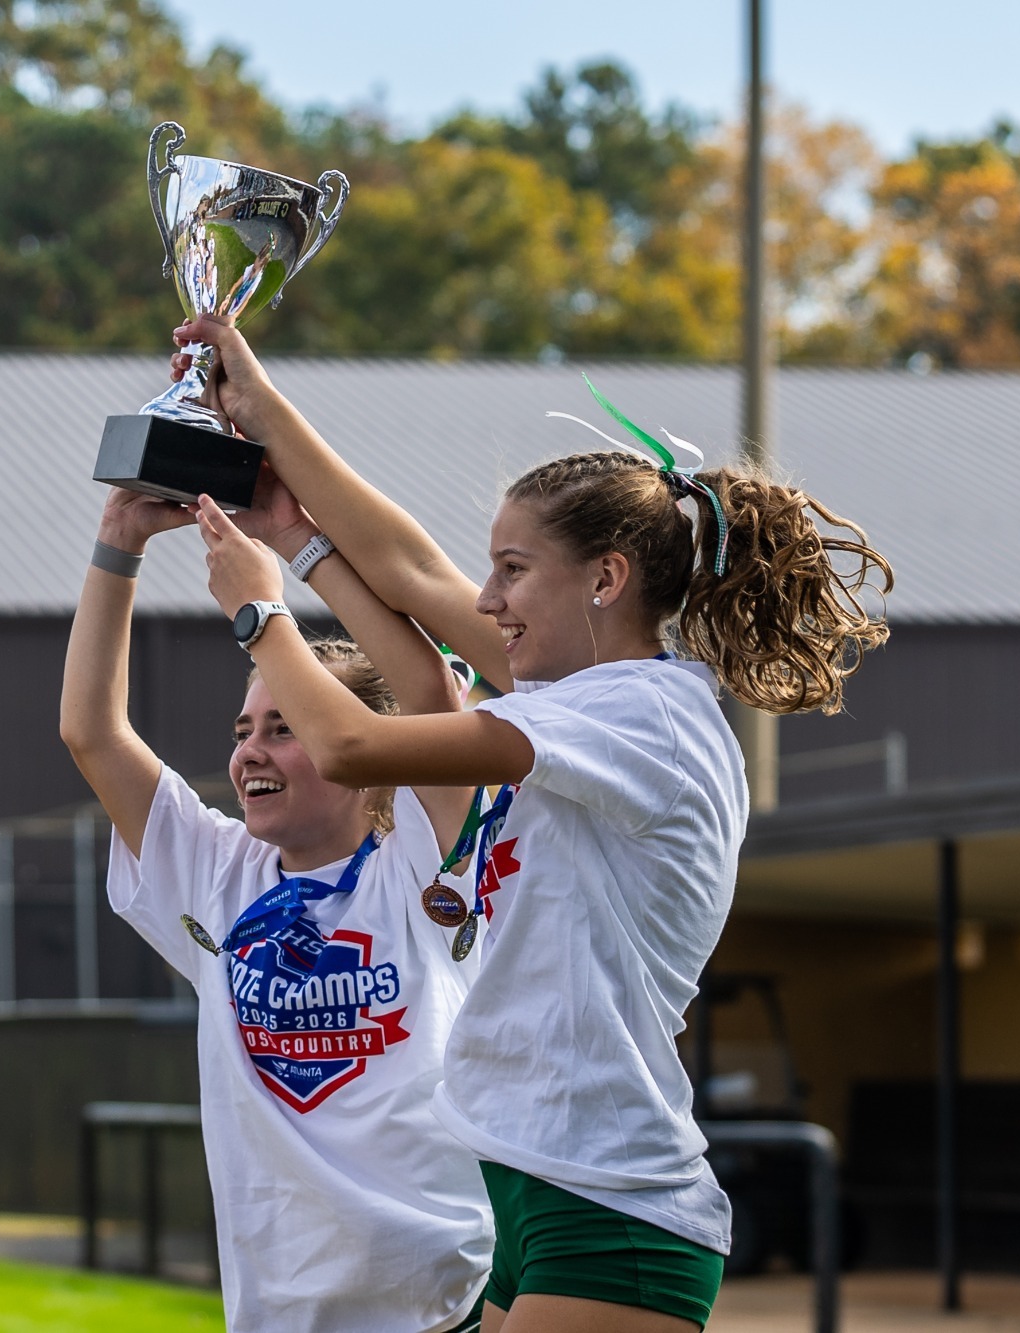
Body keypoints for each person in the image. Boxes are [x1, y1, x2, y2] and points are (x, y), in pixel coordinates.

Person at [171, 316, 892, 1333]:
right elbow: (414, 580)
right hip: (538, 1193)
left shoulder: (637, 714)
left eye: (512, 570)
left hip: (609, 1207)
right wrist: (282, 489)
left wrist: (260, 614)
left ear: (605, 579)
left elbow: (353, 748)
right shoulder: (576, 705)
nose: (484, 596)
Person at [59, 474, 495, 1333]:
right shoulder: (222, 874)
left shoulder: (423, 864)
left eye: (283, 725)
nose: (250, 751)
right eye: (241, 731)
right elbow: (93, 732)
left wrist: (279, 592)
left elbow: (437, 702)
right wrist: (119, 540)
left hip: (439, 1311)